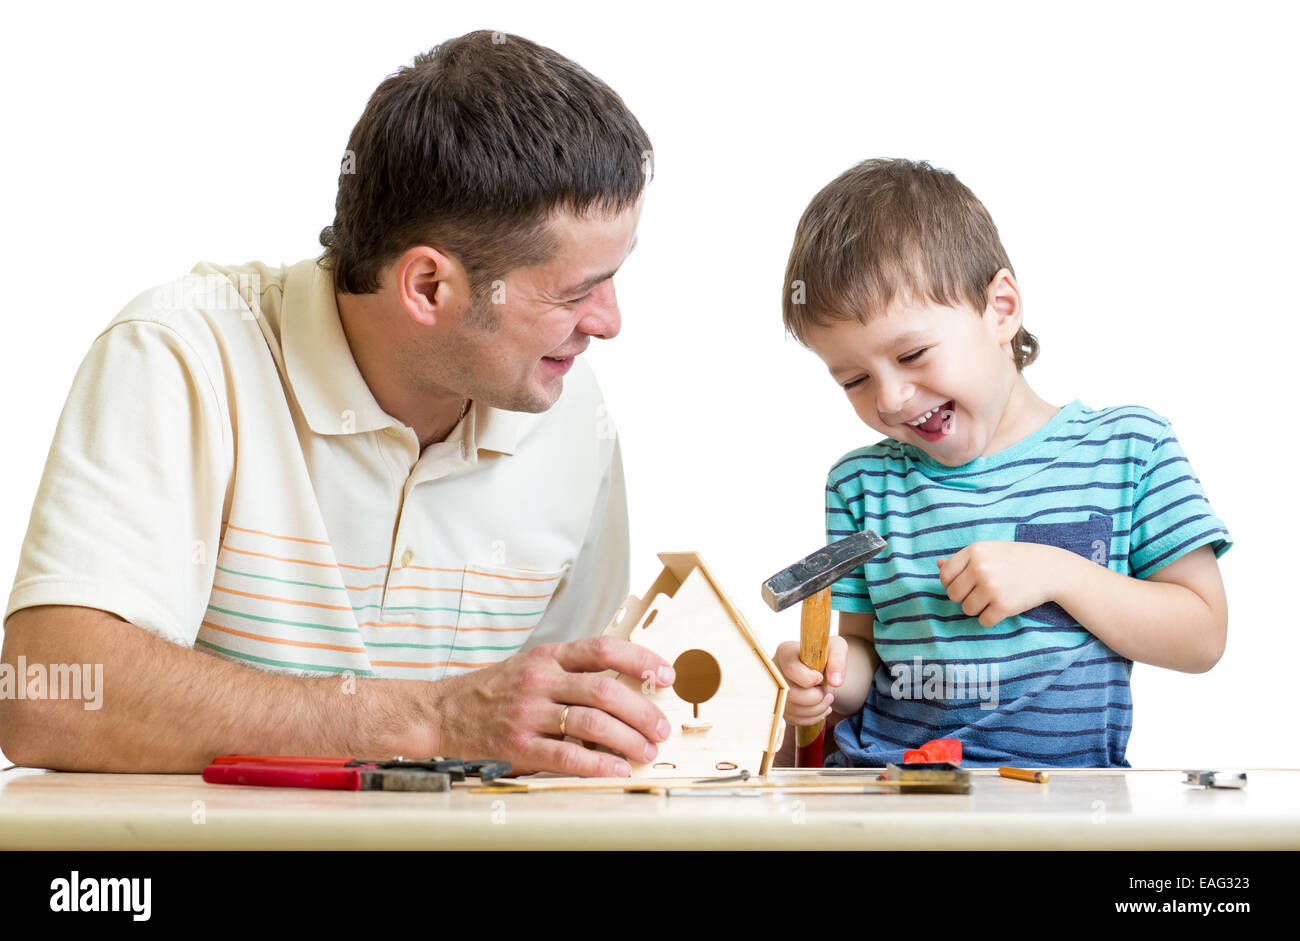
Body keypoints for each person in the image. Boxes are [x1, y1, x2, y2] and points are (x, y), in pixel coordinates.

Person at [0, 31, 676, 777]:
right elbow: (48, 696)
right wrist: (436, 715)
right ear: (428, 287)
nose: (609, 321)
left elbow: (553, 730)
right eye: (576, 291)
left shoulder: (570, 412)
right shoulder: (183, 354)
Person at [773, 158, 1232, 767]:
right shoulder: (861, 485)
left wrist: (1058, 573)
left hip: (1059, 803)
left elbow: (1201, 635)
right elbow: (864, 656)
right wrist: (822, 680)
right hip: (885, 791)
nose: (889, 399)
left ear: (1001, 308)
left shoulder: (1129, 450)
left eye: (912, 354)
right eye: (854, 379)